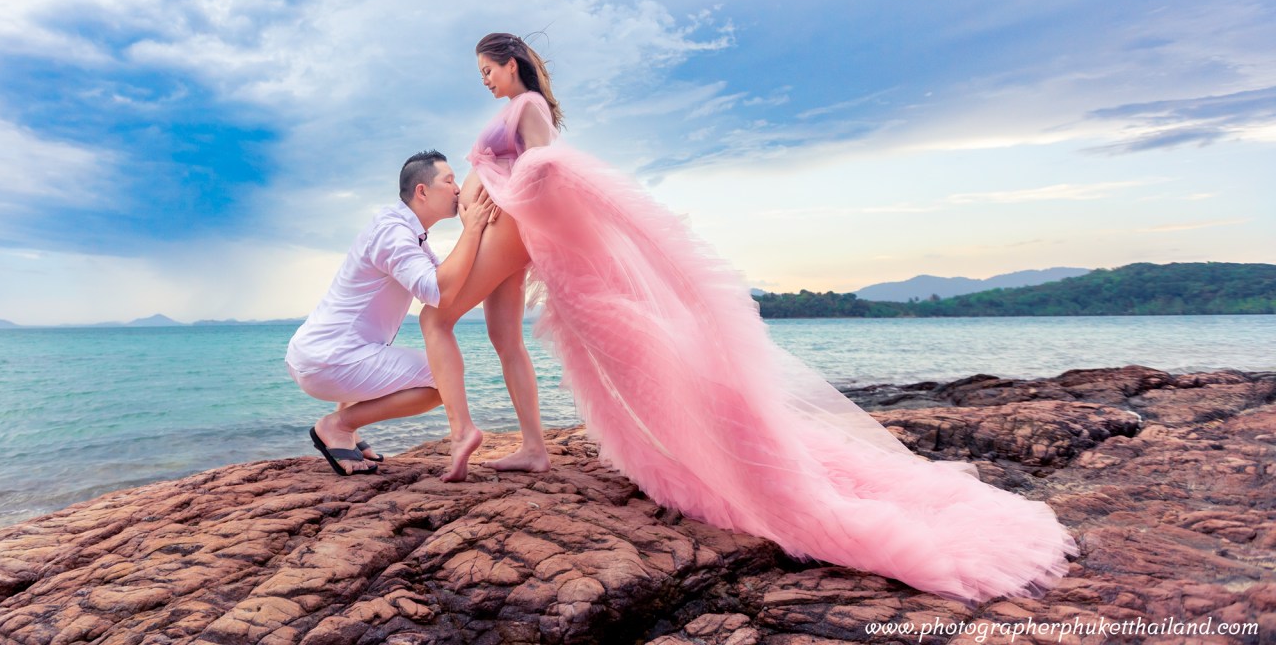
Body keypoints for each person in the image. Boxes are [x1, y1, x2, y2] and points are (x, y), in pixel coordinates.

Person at [419, 33, 1077, 605]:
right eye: (482, 74)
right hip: (511, 230)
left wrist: (493, 194)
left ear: (513, 62)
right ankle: (532, 447)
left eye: (489, 69)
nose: (486, 81)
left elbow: (546, 172)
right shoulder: (518, 108)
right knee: (505, 337)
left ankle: (489, 435)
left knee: (449, 316)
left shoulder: (528, 107)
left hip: (508, 227)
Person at [286, 150, 496, 478]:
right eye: (449, 180)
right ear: (422, 191)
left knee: (428, 366)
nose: (457, 189)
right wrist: (471, 231)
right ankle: (337, 426)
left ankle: (347, 430)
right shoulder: (394, 234)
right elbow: (438, 292)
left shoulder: (404, 230)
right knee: (442, 378)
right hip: (328, 359)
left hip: (322, 354)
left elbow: (448, 276)